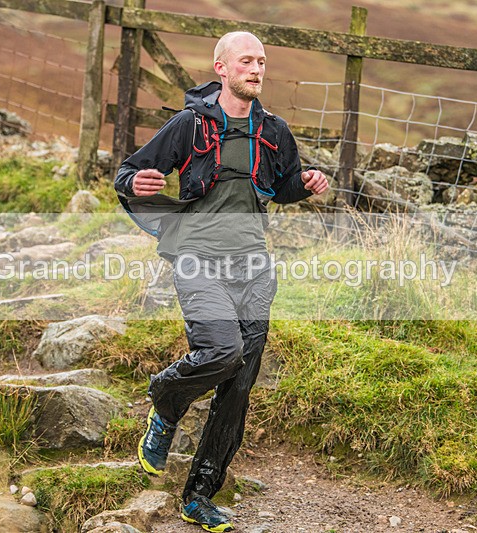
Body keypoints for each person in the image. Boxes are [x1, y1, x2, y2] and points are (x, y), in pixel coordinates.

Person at [114, 31, 329, 533]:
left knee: (237, 389)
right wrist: (136, 182)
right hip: (196, 258)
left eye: (262, 61)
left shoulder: (273, 130)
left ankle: (199, 496)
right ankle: (165, 401)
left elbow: (283, 186)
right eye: (247, 61)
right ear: (221, 68)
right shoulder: (190, 124)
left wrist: (308, 184)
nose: (257, 69)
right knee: (221, 351)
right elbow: (131, 171)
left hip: (253, 267)